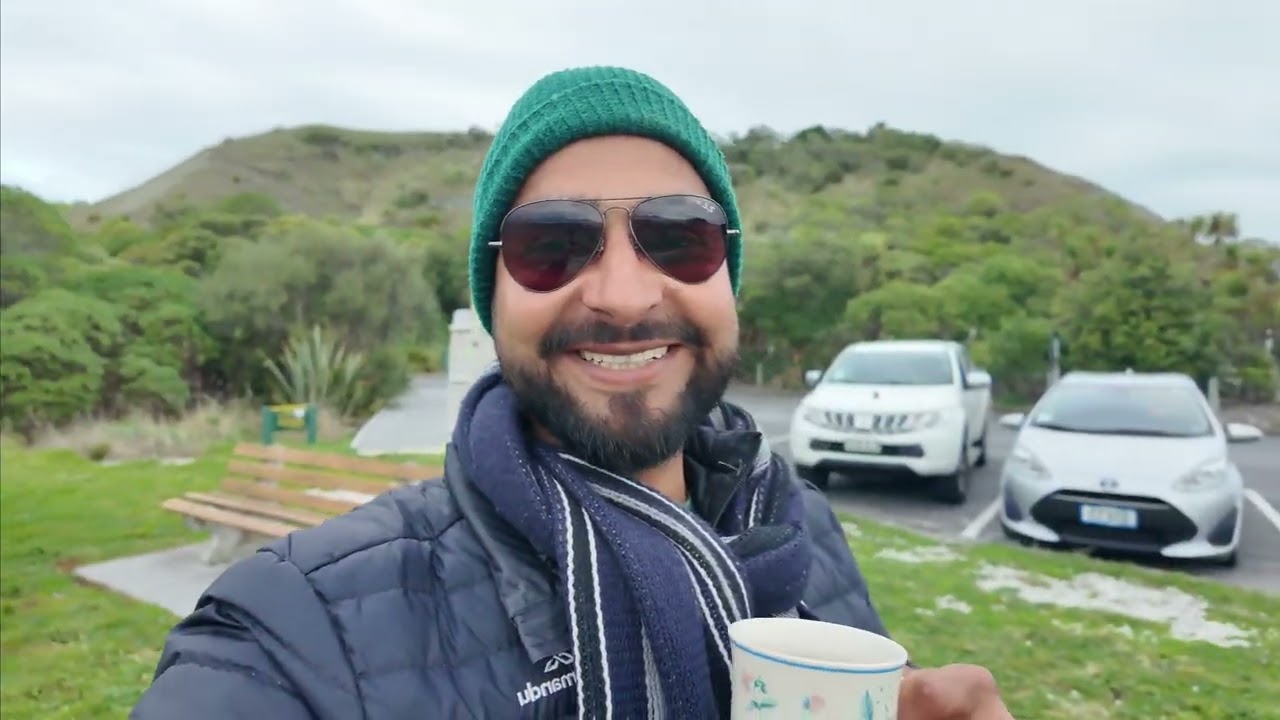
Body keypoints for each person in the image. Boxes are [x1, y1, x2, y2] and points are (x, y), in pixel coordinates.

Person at [132, 65, 1013, 719]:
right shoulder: (297, 627)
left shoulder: (799, 528)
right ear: (496, 296)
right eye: (552, 244)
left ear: (728, 276)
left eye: (681, 238)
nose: (625, 295)